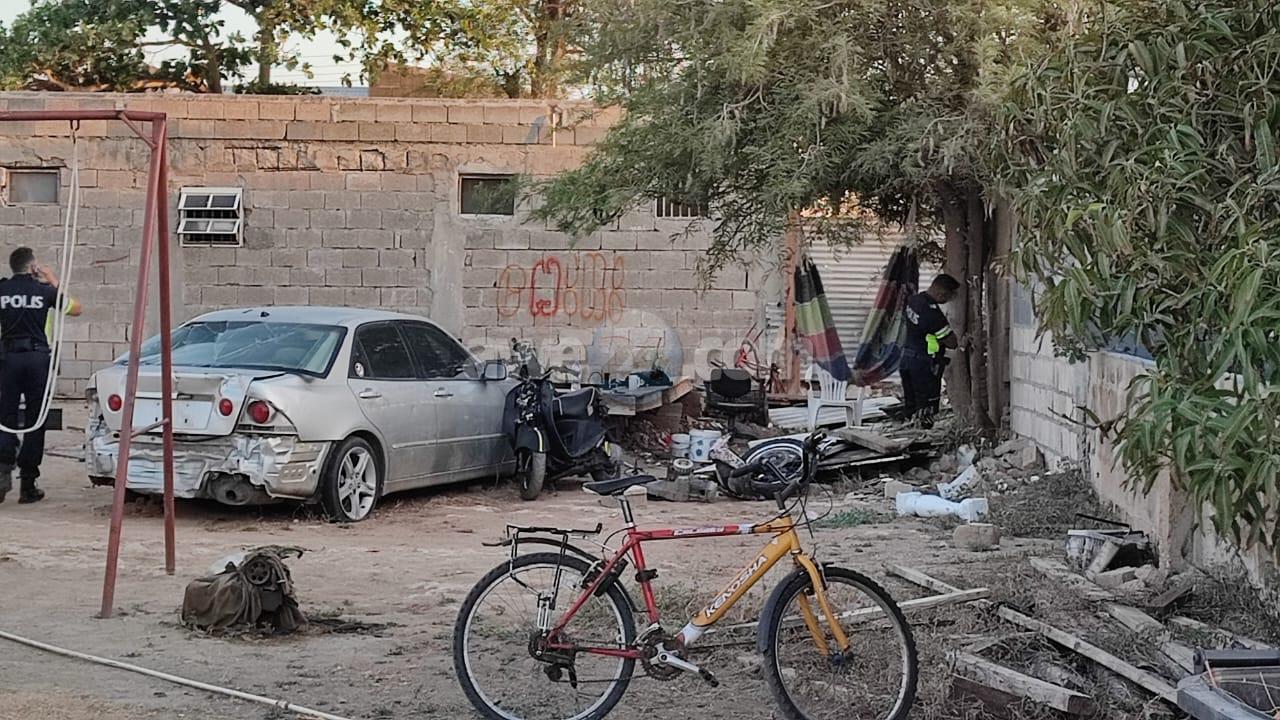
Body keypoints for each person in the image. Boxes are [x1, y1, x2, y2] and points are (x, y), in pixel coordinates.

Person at [0, 247, 82, 503]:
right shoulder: (44, 291)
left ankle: (2, 470)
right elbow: (75, 308)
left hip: (8, 360)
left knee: (5, 416)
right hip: (37, 361)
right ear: (33, 266)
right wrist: (52, 279)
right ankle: (28, 484)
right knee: (36, 419)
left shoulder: (2, 290)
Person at [901, 273, 960, 428]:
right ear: (942, 293)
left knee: (911, 404)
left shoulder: (914, 301)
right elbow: (952, 342)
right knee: (926, 408)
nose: (950, 299)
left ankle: (911, 431)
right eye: (950, 296)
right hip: (924, 365)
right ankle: (923, 434)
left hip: (906, 360)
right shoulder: (933, 313)